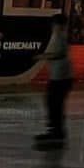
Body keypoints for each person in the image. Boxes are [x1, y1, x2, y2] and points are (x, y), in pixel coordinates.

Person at [34, 14, 73, 146]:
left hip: (60, 77)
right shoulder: (59, 36)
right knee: (54, 103)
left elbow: (59, 53)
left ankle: (56, 131)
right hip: (60, 76)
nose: (53, 26)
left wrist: (43, 56)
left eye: (55, 24)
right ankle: (56, 130)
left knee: (54, 103)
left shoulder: (59, 36)